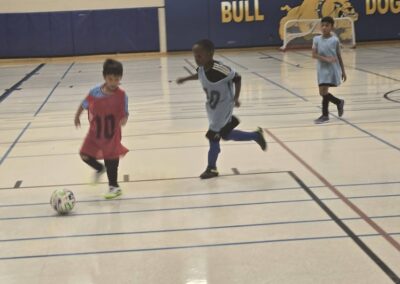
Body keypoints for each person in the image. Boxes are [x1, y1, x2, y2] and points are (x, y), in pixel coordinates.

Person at [176, 39, 267, 179]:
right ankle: (255, 135)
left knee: (213, 136)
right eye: (195, 56)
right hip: (212, 108)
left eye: (200, 56)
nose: (197, 59)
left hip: (224, 107)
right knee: (226, 134)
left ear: (210, 54)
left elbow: (237, 77)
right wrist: (186, 78)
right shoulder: (202, 68)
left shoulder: (219, 69)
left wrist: (236, 98)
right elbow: (199, 75)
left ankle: (211, 168)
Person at [74, 59, 129, 199]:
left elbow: (125, 112)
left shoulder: (122, 96)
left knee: (111, 160)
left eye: (116, 79)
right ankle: (99, 168)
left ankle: (114, 187)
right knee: (84, 155)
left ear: (120, 78)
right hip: (95, 133)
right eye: (110, 79)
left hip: (111, 134)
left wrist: (124, 119)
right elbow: (84, 103)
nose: (113, 82)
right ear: (104, 77)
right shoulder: (95, 92)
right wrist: (77, 116)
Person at [312, 16, 346, 124]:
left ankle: (325, 115)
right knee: (322, 92)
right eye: (322, 25)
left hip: (331, 69)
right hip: (321, 69)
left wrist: (343, 71)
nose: (324, 28)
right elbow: (314, 55)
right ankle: (338, 102)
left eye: (327, 25)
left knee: (324, 91)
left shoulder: (335, 40)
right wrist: (326, 59)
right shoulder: (316, 39)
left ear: (332, 27)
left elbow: (339, 56)